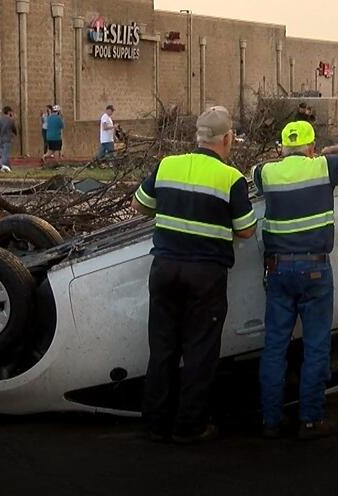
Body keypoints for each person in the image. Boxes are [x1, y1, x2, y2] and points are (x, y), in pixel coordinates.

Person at [131, 106, 257, 444]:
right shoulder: (230, 178)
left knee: (162, 348)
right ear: (228, 138)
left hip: (165, 269)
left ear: (197, 137)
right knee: (200, 351)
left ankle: (156, 424)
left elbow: (139, 205)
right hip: (205, 274)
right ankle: (190, 426)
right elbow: (246, 231)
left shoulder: (167, 166)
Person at [253, 120, 338, 440]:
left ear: (281, 148)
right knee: (316, 346)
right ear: (311, 147)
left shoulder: (266, 172)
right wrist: (336, 150)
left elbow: (254, 175)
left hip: (277, 270)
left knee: (275, 347)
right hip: (315, 269)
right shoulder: (325, 166)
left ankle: (270, 421)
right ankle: (310, 419)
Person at [0, 106, 17, 173]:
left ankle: (8, 167)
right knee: (5, 154)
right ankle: (0, 165)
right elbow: (14, 129)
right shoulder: (11, 120)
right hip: (7, 138)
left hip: (1, 138)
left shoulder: (0, 119)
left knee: (3, 153)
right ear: (9, 112)